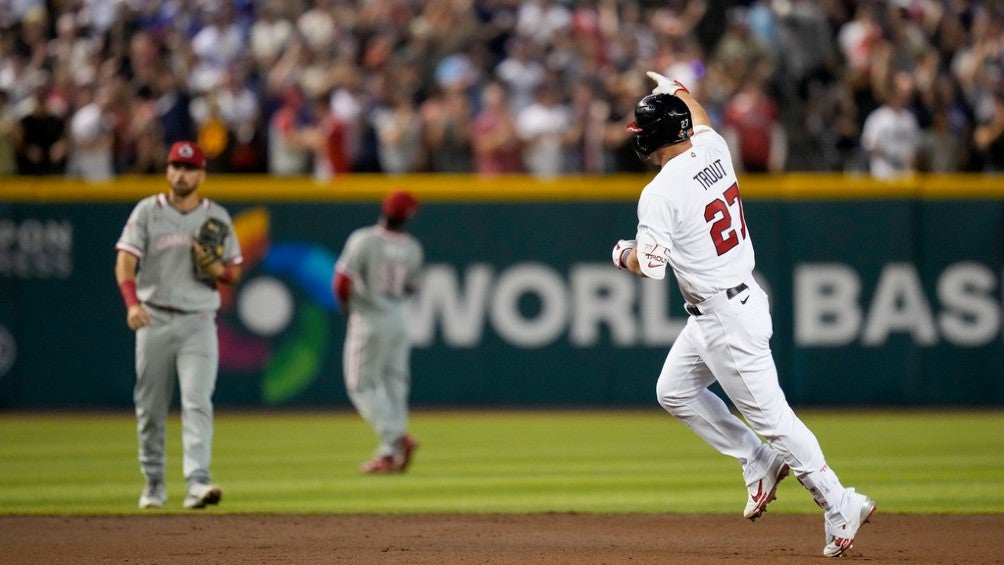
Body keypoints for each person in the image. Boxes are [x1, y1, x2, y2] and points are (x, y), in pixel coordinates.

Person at [612, 72, 875, 558]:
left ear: (653, 137)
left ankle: (840, 503)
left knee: (776, 421)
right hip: (731, 303)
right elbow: (702, 119)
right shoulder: (712, 150)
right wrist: (678, 88)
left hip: (725, 317)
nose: (637, 136)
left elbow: (649, 266)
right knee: (673, 391)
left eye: (641, 129)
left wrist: (620, 252)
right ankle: (757, 461)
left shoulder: (660, 191)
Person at [114, 141, 243, 509]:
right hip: (153, 316)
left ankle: (196, 482)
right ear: (168, 171)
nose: (182, 174)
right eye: (176, 166)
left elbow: (232, 272)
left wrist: (215, 268)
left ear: (202, 174)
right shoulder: (147, 212)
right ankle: (154, 482)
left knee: (197, 401)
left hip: (198, 319)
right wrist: (131, 303)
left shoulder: (215, 216)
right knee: (150, 407)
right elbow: (124, 262)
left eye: (189, 168)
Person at [333, 190, 424, 474]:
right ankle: (389, 454)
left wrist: (346, 306)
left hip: (369, 317)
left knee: (360, 385)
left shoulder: (364, 239)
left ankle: (396, 437)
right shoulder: (412, 248)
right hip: (397, 318)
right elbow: (412, 287)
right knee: (395, 384)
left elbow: (341, 282)